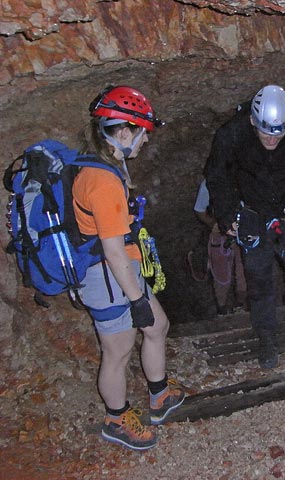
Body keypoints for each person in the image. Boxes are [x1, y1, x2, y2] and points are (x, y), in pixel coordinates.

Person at [73, 85, 185, 450]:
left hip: (122, 272)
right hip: (106, 277)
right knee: (118, 351)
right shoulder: (103, 182)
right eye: (141, 134)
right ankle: (116, 420)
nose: (144, 142)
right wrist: (136, 298)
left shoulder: (105, 167)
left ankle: (159, 396)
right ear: (122, 132)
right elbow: (113, 251)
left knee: (159, 326)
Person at [205, 85, 285, 369]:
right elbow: (217, 176)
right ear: (252, 120)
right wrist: (228, 215)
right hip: (254, 212)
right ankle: (267, 336)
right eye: (265, 133)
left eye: (279, 134)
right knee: (259, 280)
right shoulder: (232, 133)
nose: (272, 140)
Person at [192, 179, 247, 314]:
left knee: (243, 271)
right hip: (220, 234)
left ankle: (241, 306)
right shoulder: (209, 183)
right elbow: (199, 210)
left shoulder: (245, 175)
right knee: (221, 274)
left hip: (243, 232)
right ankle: (222, 309)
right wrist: (213, 224)